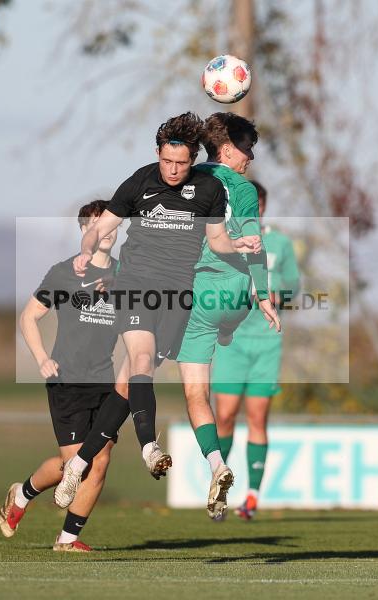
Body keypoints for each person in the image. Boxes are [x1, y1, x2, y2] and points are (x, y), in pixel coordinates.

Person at [53, 112, 262, 509]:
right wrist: (85, 251)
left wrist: (241, 247)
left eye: (181, 163)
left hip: (176, 294)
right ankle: (150, 446)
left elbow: (217, 240)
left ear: (194, 158)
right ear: (158, 154)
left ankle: (78, 464)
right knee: (142, 359)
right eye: (167, 161)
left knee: (127, 385)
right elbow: (102, 226)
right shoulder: (140, 180)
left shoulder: (209, 189)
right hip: (135, 285)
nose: (173, 170)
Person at [0, 200, 128, 552]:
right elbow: (28, 318)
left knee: (100, 459)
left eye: (113, 225)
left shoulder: (125, 275)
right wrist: (42, 358)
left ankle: (68, 539)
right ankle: (23, 493)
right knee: (75, 465)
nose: (108, 232)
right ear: (85, 231)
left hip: (105, 382)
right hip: (67, 380)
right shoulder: (64, 273)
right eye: (99, 226)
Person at [175, 112, 280, 519]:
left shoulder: (187, 179)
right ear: (228, 148)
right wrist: (265, 296)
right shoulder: (244, 189)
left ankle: (215, 464)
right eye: (248, 148)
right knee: (225, 330)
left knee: (194, 393)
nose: (250, 157)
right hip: (235, 297)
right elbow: (254, 245)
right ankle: (221, 472)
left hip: (197, 298)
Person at [212, 181, 301, 520]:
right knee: (224, 416)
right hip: (231, 342)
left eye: (256, 205)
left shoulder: (279, 243)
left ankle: (252, 496)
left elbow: (294, 287)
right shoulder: (222, 242)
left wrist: (281, 297)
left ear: (263, 207)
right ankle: (218, 488)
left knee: (257, 417)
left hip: (266, 343)